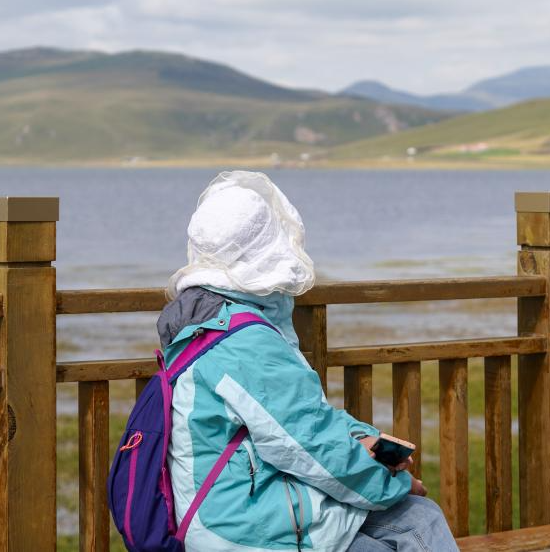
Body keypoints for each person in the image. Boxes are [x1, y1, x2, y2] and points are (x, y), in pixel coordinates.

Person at [158, 170, 460, 551]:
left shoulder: (207, 323)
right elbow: (308, 445)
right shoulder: (246, 343)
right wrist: (397, 484)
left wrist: (358, 438)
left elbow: (301, 422)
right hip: (243, 530)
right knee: (415, 520)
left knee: (420, 518)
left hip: (242, 508)